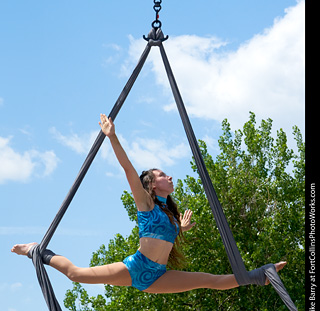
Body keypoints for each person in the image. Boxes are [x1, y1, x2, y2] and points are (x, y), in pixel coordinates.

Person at [11, 114, 286, 293]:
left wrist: (182, 228)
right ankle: (37, 250)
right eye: (163, 175)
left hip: (158, 275)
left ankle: (258, 275)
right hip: (137, 267)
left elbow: (165, 237)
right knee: (75, 275)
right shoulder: (146, 205)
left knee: (210, 281)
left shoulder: (169, 215)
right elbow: (129, 170)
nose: (170, 176)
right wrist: (112, 136)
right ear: (153, 185)